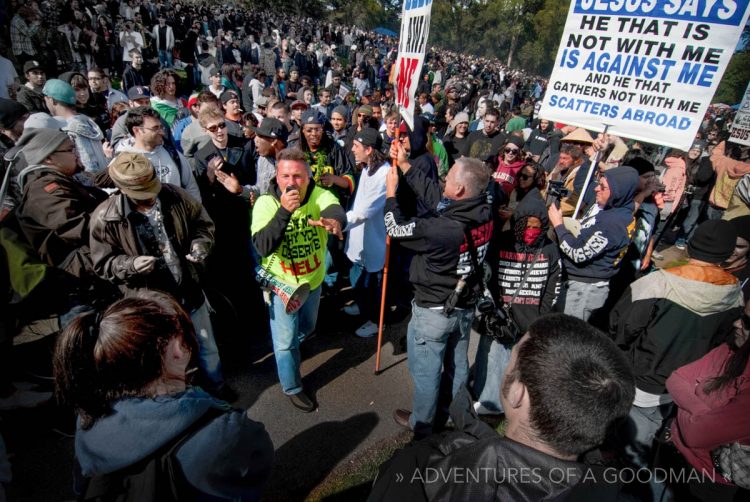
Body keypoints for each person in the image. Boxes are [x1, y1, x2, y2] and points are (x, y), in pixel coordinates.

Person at [370, 314, 635, 501]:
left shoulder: (418, 472)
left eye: (513, 357)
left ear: (518, 393)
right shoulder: (612, 489)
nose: (508, 363)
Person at [53, 291, 273, 500]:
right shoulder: (225, 432)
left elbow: (80, 483)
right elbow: (258, 465)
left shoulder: (88, 418)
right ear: (178, 349)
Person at [609, 220, 744, 474]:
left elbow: (622, 326)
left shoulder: (658, 282)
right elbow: (725, 341)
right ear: (726, 255)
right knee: (657, 436)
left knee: (630, 442)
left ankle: (624, 480)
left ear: (690, 247)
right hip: (690, 386)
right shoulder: (734, 293)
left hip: (643, 379)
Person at [89, 152, 228, 398]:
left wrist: (200, 244)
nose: (150, 198)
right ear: (122, 189)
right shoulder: (105, 218)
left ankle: (217, 390)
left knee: (207, 345)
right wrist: (131, 265)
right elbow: (103, 264)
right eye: (142, 195)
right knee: (165, 358)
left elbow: (203, 224)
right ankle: (181, 405)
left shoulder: (175, 195)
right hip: (151, 305)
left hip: (189, 289)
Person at [386, 149, 493, 438]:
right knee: (458, 366)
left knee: (426, 373)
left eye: (448, 178)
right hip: (464, 307)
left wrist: (390, 195)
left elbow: (395, 228)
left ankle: (423, 425)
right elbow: (437, 197)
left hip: (434, 311)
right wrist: (407, 166)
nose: (442, 180)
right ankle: (454, 414)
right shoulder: (483, 208)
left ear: (459, 189)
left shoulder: (442, 229)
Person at [251, 148, 346, 412]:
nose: (291, 182)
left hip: (312, 281)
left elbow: (334, 208)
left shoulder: (318, 195)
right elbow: (262, 246)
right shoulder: (266, 203)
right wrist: (283, 212)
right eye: (285, 176)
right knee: (284, 343)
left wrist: (336, 222)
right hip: (283, 286)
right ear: (277, 177)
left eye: (298, 176)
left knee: (307, 326)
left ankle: (296, 346)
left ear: (309, 176)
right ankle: (292, 386)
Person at [473, 189, 561, 415]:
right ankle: (483, 395)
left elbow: (553, 286)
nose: (532, 231)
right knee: (488, 356)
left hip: (529, 320)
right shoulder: (502, 242)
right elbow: (488, 274)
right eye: (527, 225)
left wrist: (540, 316)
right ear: (518, 222)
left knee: (510, 364)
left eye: (537, 226)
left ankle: (496, 403)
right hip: (498, 316)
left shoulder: (550, 249)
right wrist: (492, 305)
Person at [663, 300, 750, 501]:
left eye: (747, 321)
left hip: (707, 480)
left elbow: (696, 436)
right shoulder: (731, 350)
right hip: (674, 450)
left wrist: (687, 405)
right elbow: (676, 378)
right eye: (741, 315)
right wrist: (701, 415)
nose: (737, 323)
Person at [14, 128, 108, 287]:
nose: (77, 153)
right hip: (80, 269)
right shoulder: (43, 189)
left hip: (92, 256)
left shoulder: (63, 179)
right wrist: (118, 211)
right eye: (71, 149)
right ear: (49, 158)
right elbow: (76, 227)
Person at [548, 166, 639, 321]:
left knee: (566, 334)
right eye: (599, 183)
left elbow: (578, 253)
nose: (597, 189)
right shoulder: (613, 212)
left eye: (603, 187)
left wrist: (558, 226)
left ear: (618, 191)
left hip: (582, 290)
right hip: (579, 284)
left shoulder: (613, 223)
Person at [343, 128, 389, 338]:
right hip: (357, 237)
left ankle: (376, 321)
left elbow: (364, 211)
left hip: (374, 239)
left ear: (369, 149)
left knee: (374, 287)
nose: (352, 149)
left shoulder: (384, 174)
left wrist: (339, 222)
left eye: (356, 146)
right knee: (358, 279)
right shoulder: (367, 168)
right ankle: (362, 305)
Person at [116, 106, 201, 202]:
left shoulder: (172, 153)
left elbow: (190, 185)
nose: (162, 132)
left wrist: (197, 213)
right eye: (155, 128)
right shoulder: (121, 162)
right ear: (137, 130)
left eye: (161, 127)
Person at [43, 79, 109, 176]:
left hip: (93, 184)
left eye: (46, 100)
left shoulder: (70, 128)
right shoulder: (86, 120)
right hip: (104, 177)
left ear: (52, 100)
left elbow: (88, 166)